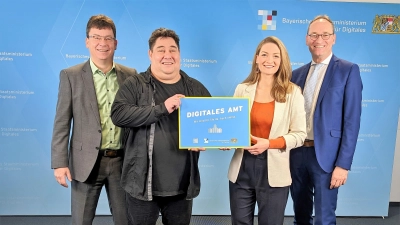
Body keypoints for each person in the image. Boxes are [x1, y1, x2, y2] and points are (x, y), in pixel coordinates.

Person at [110, 28, 211, 225]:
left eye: (173, 50)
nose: (167, 55)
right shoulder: (135, 84)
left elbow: (212, 124)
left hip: (181, 187)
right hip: (141, 186)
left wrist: (214, 140)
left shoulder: (195, 87)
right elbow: (118, 114)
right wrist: (161, 108)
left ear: (179, 54)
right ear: (151, 54)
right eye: (161, 50)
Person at [51, 14, 137, 225]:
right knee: (81, 221)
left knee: (126, 220)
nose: (102, 43)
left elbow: (137, 119)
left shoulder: (131, 75)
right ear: (87, 41)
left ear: (115, 43)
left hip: (122, 162)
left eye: (108, 38)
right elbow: (62, 122)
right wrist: (60, 163)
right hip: (85, 163)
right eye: (96, 37)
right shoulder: (70, 76)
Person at [224, 36, 307, 225]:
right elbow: (232, 127)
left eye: (276, 56)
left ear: (282, 60)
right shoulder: (242, 89)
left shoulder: (292, 92)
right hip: (242, 167)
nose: (269, 60)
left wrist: (268, 144)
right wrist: (226, 141)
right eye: (264, 54)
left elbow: (300, 135)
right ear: (256, 58)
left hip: (274, 169)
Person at [290, 15, 363, 225]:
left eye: (324, 35)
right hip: (296, 154)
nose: (318, 39)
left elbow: (352, 121)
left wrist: (343, 165)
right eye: (314, 35)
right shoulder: (295, 75)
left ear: (333, 38)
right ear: (306, 39)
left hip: (327, 159)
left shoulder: (348, 70)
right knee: (300, 216)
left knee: (324, 218)